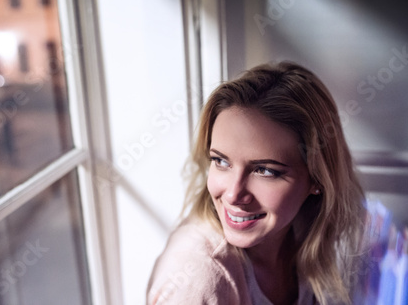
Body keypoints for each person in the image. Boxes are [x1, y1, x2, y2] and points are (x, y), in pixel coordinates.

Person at [147, 62, 366, 305]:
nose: (232, 194)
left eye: (264, 170)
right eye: (220, 161)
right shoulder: (200, 277)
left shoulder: (303, 231)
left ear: (317, 179)